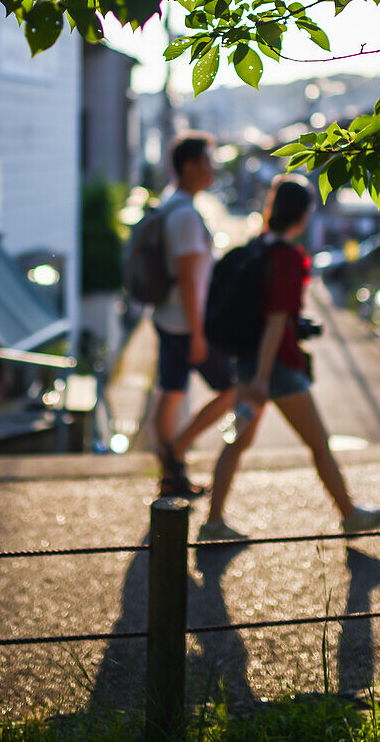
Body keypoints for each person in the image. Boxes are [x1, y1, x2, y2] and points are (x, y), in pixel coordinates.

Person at [198, 173, 380, 541]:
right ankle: (350, 515)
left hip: (251, 362)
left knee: (236, 443)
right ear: (302, 216)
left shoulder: (258, 247)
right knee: (319, 444)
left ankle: (213, 523)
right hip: (277, 369)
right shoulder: (287, 258)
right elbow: (274, 321)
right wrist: (262, 378)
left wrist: (255, 372)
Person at [153, 132, 237, 498]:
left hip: (167, 317)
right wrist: (199, 334)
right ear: (189, 167)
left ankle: (171, 475)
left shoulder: (170, 205)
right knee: (234, 388)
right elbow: (189, 278)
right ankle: (178, 448)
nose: (213, 167)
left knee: (171, 393)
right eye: (208, 161)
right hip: (188, 323)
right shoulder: (185, 215)